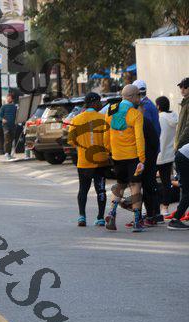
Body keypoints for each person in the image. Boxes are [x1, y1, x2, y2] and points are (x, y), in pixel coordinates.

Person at [104, 84, 146, 232]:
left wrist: (108, 150)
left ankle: (111, 213)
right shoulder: (135, 114)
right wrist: (142, 158)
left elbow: (106, 133)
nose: (139, 98)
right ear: (132, 97)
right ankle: (137, 221)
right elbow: (139, 138)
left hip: (117, 156)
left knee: (120, 185)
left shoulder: (110, 110)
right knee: (135, 186)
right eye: (138, 95)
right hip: (133, 156)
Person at [67, 92, 109, 227]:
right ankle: (100, 217)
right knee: (101, 189)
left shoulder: (76, 120)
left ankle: (82, 217)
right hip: (101, 161)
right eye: (99, 102)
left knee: (83, 189)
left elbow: (71, 141)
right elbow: (108, 140)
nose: (101, 104)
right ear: (94, 103)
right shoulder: (103, 118)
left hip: (84, 162)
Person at [168, 77, 189, 230]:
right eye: (181, 87)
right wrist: (179, 143)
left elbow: (187, 127)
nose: (182, 90)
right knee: (186, 190)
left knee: (186, 189)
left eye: (185, 87)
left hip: (183, 148)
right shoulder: (185, 103)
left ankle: (177, 217)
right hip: (183, 151)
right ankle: (176, 219)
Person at [155, 96, 178, 216]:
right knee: (166, 182)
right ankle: (165, 208)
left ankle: (150, 208)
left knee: (149, 182)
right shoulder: (174, 117)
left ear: (158, 106)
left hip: (158, 155)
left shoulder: (159, 118)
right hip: (169, 155)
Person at [0, 93, 18, 160]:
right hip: (6, 125)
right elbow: (0, 116)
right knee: (7, 138)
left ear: (12, 99)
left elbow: (17, 115)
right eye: (7, 97)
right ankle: (6, 153)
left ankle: (9, 154)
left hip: (13, 125)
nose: (8, 99)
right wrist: (2, 119)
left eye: (9, 98)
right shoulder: (3, 107)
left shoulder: (15, 107)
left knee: (11, 139)